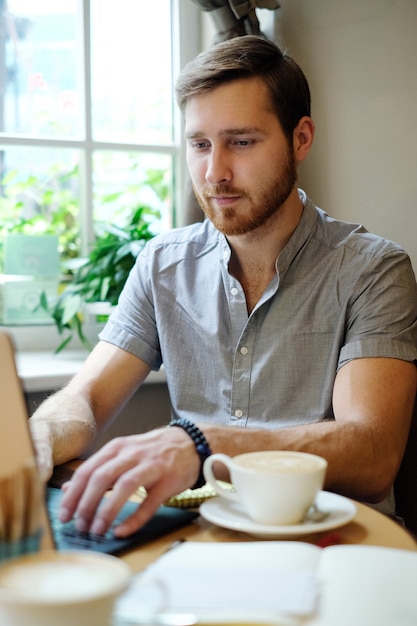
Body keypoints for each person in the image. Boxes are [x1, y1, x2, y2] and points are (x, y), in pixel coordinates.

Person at [30, 35, 417, 538]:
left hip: (336, 545)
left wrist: (199, 444)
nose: (214, 173)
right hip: (199, 541)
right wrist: (39, 437)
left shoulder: (373, 269)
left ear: (300, 139)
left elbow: (371, 453)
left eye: (241, 142)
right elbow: (85, 399)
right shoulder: (163, 264)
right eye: (199, 144)